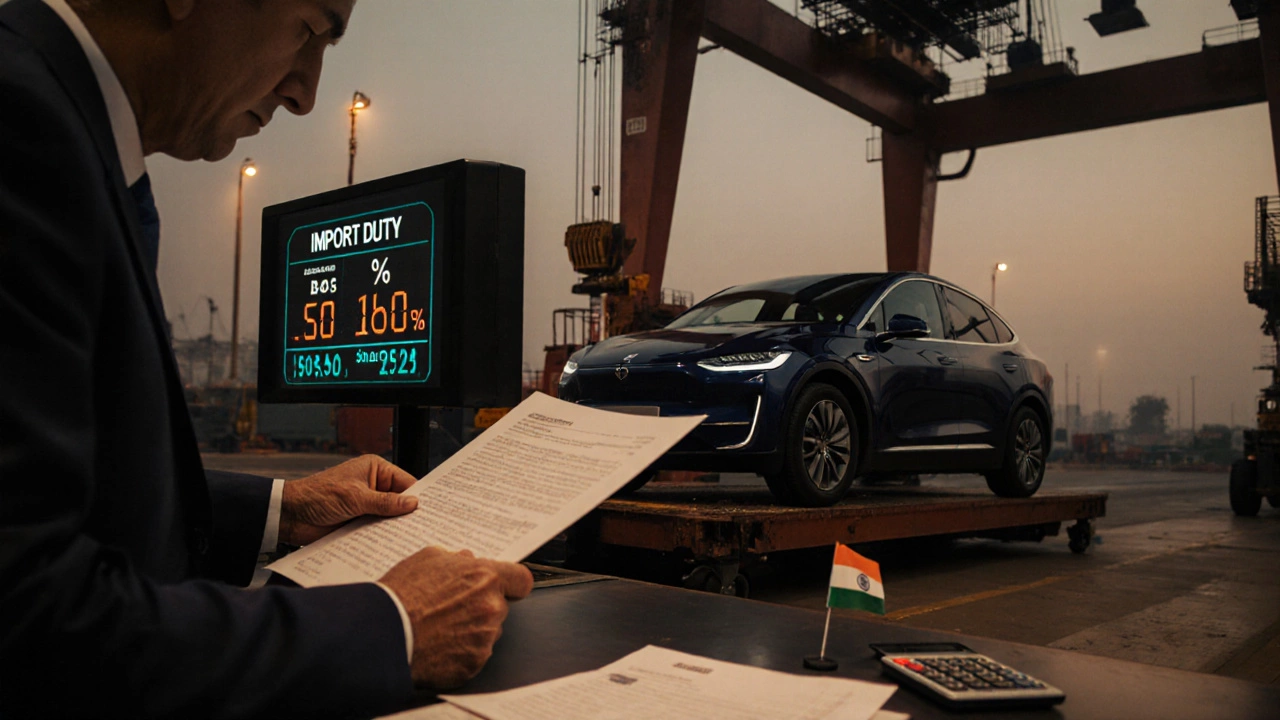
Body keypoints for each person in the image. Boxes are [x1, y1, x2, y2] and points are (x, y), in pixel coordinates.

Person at [0, 1, 533, 717]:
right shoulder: (21, 129)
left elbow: (72, 493)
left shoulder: (65, 133)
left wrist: (281, 509)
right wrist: (392, 627)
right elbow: (29, 615)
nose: (305, 93)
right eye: (308, 30)